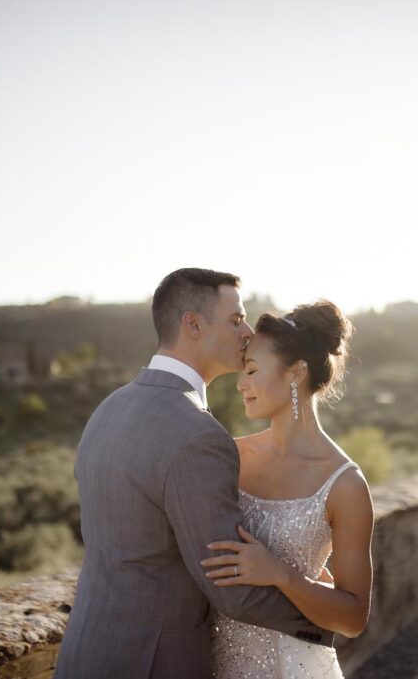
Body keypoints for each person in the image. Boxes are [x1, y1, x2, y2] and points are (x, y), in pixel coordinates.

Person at [54, 268, 331, 679]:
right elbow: (229, 587)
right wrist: (327, 618)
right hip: (153, 663)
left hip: (84, 652)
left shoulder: (108, 409)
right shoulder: (198, 435)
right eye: (235, 320)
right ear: (194, 325)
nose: (247, 333)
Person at [202, 300, 375, 678]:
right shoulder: (230, 456)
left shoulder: (345, 485)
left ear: (296, 372)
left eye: (252, 370)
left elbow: (353, 618)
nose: (241, 384)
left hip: (294, 667)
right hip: (213, 662)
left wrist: (282, 574)